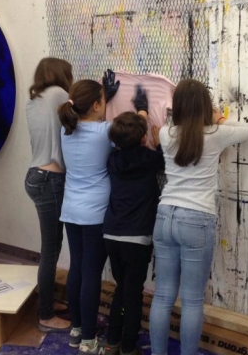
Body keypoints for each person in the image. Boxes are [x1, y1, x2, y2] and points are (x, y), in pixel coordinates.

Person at [149, 79, 248, 355]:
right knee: (192, 301)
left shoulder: (166, 134)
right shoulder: (215, 134)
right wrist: (219, 117)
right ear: (205, 106)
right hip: (196, 219)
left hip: (165, 215)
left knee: (163, 296)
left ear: (178, 106)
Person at [57, 73, 120, 355]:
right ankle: (88, 341)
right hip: (95, 212)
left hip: (71, 209)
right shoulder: (105, 132)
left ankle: (77, 329)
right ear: (96, 105)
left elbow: (88, 120)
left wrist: (103, 98)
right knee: (92, 273)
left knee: (77, 268)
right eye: (103, 101)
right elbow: (127, 133)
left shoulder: (66, 130)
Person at [102, 90, 165, 355]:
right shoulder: (150, 159)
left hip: (111, 235)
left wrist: (140, 113)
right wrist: (159, 143)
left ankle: (112, 342)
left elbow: (129, 144)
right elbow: (164, 160)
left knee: (122, 289)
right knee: (133, 293)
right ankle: (128, 347)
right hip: (137, 238)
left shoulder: (112, 160)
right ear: (143, 139)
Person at [24, 57, 73, 332]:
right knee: (51, 250)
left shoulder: (34, 101)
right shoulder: (58, 94)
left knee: (50, 247)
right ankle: (45, 316)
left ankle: (48, 303)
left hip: (35, 175)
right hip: (50, 180)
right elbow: (82, 113)